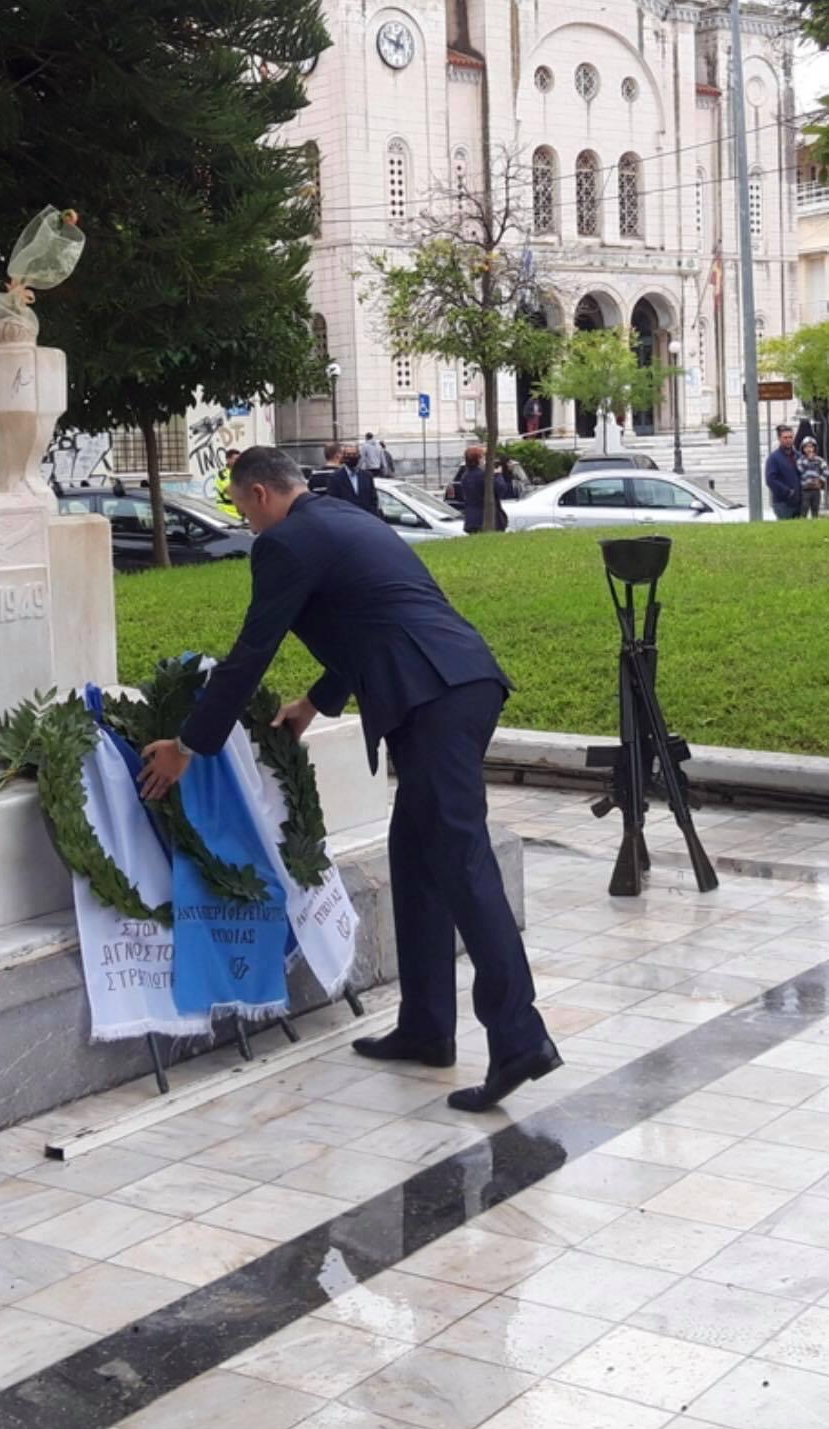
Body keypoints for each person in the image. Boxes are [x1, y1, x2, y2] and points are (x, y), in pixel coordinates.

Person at [140, 448, 559, 1111]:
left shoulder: (284, 543)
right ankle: (426, 1026)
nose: (245, 522)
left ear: (258, 495)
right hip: (454, 685)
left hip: (435, 698)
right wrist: (313, 703)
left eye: (241, 507)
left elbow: (252, 651)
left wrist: (189, 745)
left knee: (462, 862)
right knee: (416, 857)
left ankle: (520, 1037)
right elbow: (370, 620)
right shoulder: (341, 517)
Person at [460, 445, 508, 533]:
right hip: (488, 518)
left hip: (471, 519)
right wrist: (498, 475)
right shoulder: (484, 475)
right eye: (483, 457)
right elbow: (501, 490)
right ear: (478, 460)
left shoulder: (465, 476)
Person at [326, 443, 381, 515]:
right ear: (344, 457)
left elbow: (373, 500)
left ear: (359, 456)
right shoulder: (335, 478)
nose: (351, 457)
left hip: (366, 519)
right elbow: (334, 503)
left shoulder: (367, 476)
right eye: (348, 455)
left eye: (354, 454)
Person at [765, 425, 803, 520]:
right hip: (782, 503)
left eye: (790, 437)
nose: (788, 440)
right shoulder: (774, 458)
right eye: (785, 438)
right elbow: (770, 480)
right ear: (779, 439)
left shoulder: (799, 456)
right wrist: (787, 492)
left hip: (799, 502)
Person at [798, 437, 829, 518]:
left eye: (811, 446)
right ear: (803, 449)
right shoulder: (800, 460)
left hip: (816, 489)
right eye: (806, 447)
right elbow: (800, 469)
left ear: (814, 448)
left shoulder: (819, 460)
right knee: (804, 508)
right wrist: (808, 460)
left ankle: (814, 523)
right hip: (805, 489)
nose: (809, 449)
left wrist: (820, 480)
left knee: (815, 508)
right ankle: (802, 523)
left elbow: (826, 470)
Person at [214, 448, 242, 518]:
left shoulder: (240, 473)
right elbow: (230, 490)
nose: (238, 462)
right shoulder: (223, 474)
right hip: (226, 514)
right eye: (236, 459)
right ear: (228, 460)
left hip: (240, 514)